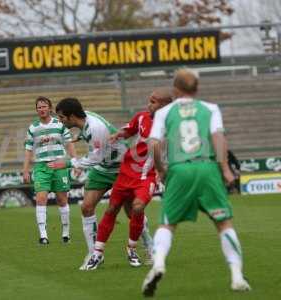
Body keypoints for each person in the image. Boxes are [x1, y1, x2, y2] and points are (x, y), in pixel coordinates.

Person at [141, 69, 251, 297]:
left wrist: (162, 170)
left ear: (175, 89)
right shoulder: (210, 109)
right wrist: (226, 170)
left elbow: (153, 145)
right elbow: (218, 139)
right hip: (207, 168)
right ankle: (237, 277)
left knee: (168, 224)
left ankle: (158, 263)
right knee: (223, 223)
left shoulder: (165, 111)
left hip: (179, 169)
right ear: (197, 89)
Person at [85, 89, 173, 271]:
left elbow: (163, 149)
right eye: (149, 101)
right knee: (112, 208)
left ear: (164, 105)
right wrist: (118, 134)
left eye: (153, 102)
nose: (149, 104)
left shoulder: (171, 124)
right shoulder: (141, 117)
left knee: (138, 207)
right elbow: (129, 129)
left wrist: (163, 171)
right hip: (126, 171)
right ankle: (97, 253)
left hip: (146, 176)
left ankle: (132, 248)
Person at [50, 97, 142, 270]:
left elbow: (95, 158)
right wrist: (78, 138)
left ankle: (150, 248)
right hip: (103, 168)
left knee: (132, 212)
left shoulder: (95, 128)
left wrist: (69, 163)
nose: (60, 121)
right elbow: (95, 149)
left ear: (71, 116)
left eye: (62, 117)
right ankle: (94, 254)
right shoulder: (86, 120)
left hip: (121, 168)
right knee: (86, 207)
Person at [23, 96, 77, 245]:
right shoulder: (33, 127)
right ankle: (43, 235)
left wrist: (75, 162)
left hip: (59, 165)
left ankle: (65, 233)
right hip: (41, 166)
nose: (41, 109)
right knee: (41, 199)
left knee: (62, 199)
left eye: (44, 106)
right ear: (36, 110)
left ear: (50, 108)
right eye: (38, 107)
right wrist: (25, 170)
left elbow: (69, 143)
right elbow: (28, 149)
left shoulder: (60, 124)